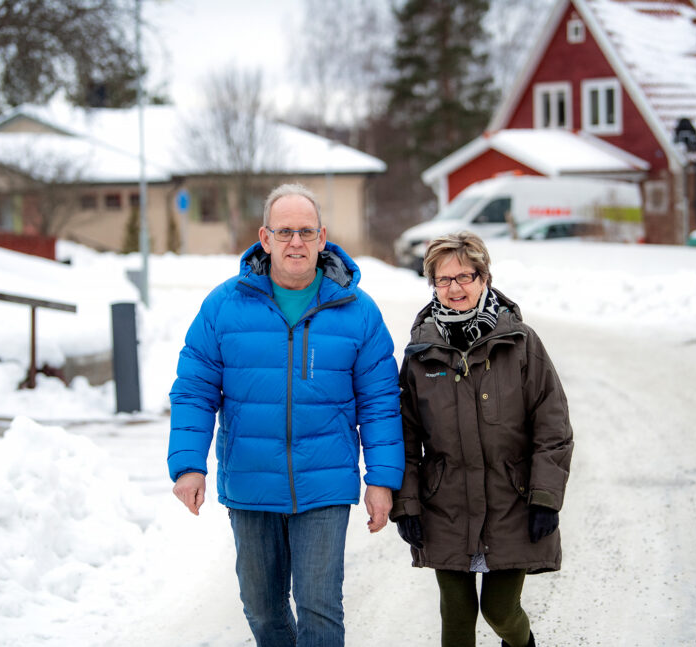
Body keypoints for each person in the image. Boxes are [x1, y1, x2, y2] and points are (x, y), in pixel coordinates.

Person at [167, 183, 404, 647]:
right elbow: (195, 389)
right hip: (251, 482)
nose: (296, 241)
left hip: (326, 483)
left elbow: (380, 402)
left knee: (319, 605)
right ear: (265, 237)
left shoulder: (357, 310)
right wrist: (189, 464)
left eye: (306, 231)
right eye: (285, 231)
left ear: (322, 237)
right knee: (262, 606)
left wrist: (382, 480)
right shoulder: (224, 304)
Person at [390, 231, 573, 647]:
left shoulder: (521, 343)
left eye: (464, 276)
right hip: (447, 506)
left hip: (511, 501)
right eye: (442, 279)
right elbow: (405, 435)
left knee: (501, 611)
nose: (454, 288)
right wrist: (408, 503)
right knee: (456, 618)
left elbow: (553, 426)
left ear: (484, 277)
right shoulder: (421, 353)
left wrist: (545, 496)